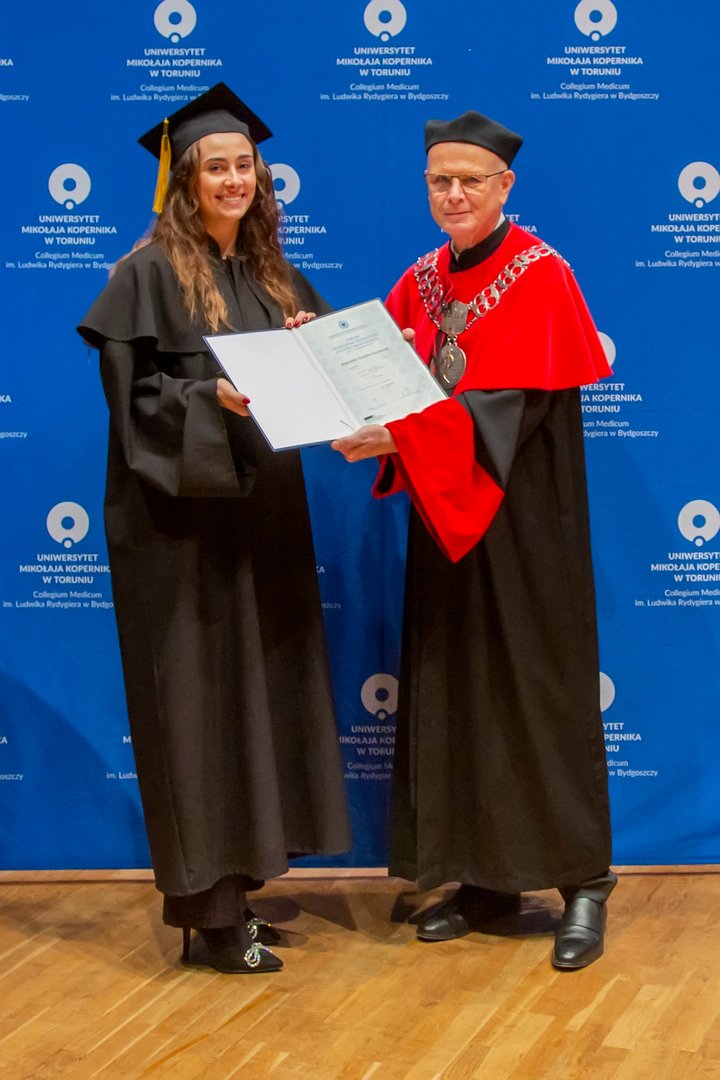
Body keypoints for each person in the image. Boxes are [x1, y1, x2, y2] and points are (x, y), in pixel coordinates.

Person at [332, 110, 616, 970]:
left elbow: (508, 410)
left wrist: (402, 435)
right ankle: (487, 877)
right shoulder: (419, 280)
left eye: (470, 180)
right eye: (439, 181)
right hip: (446, 518)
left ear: (505, 186)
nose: (453, 194)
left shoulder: (540, 273)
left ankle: (583, 881)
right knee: (459, 689)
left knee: (537, 690)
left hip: (525, 523)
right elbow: (376, 372)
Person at [78, 83, 350, 975]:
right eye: (215, 168)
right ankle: (208, 915)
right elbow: (135, 407)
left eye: (245, 167)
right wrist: (210, 399)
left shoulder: (273, 274)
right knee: (197, 707)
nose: (234, 180)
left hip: (262, 517)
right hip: (180, 527)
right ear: (184, 181)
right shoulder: (146, 274)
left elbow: (318, 382)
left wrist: (311, 349)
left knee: (255, 700)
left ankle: (241, 890)